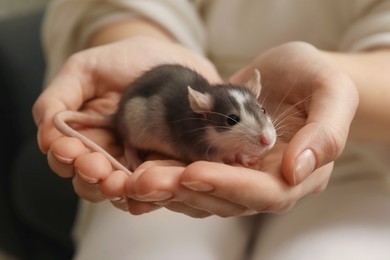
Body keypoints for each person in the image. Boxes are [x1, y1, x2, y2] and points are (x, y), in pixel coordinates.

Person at [32, 1, 390, 259]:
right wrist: (128, 31)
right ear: (205, 117)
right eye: (233, 123)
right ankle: (130, 145)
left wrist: (332, 88)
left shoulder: (228, 122)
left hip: (365, 167)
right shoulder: (197, 129)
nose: (267, 136)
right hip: (156, 141)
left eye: (262, 112)